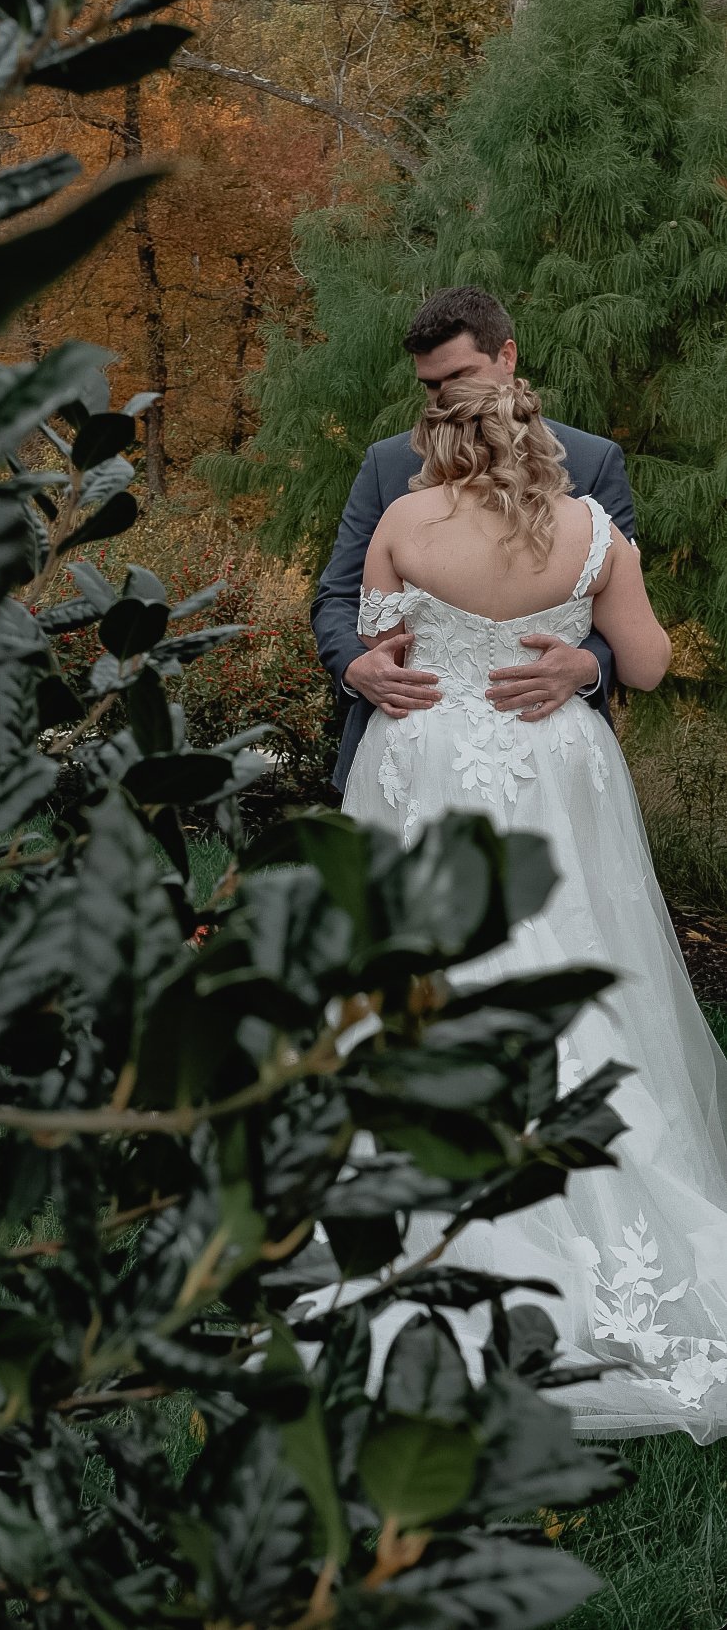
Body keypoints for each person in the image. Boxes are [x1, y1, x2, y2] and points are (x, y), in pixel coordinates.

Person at [333, 370, 727, 1443]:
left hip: (428, 761)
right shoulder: (595, 531)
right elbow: (646, 666)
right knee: (570, 960)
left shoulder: (405, 522)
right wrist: (572, 653)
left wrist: (422, 659)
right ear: (532, 436)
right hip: (552, 760)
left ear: (437, 439)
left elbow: (382, 652)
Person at [312, 286, 636, 795]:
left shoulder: (592, 461)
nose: (443, 398)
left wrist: (588, 664)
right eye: (430, 385)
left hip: (551, 754)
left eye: (459, 376)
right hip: (410, 750)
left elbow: (623, 607)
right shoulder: (387, 464)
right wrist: (356, 665)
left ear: (507, 356)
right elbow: (337, 593)